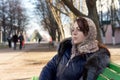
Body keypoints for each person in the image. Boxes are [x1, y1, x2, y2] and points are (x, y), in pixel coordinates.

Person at [39, 17, 111, 80]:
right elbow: (49, 67)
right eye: (73, 29)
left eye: (79, 29)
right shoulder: (67, 48)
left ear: (89, 33)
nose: (74, 33)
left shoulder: (94, 59)